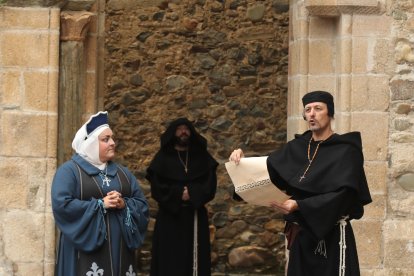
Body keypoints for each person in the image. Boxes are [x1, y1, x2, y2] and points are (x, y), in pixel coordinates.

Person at [229, 91, 372, 276]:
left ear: (330, 113)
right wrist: (241, 163)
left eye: (318, 109)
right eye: (308, 109)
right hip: (303, 236)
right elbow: (267, 173)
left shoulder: (346, 150)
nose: (312, 114)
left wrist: (299, 205)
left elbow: (345, 195)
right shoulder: (296, 148)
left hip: (333, 237)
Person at [51, 111, 149, 276]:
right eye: (105, 139)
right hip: (83, 252)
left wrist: (124, 204)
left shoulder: (123, 174)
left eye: (112, 138)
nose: (112, 143)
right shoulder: (69, 172)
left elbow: (142, 205)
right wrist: (100, 204)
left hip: (120, 252)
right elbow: (62, 205)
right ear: (90, 144)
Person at [146, 117, 218, 276]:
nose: (183, 132)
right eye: (179, 129)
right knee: (170, 261)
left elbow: (210, 185)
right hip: (170, 218)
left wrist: (191, 193)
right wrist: (179, 194)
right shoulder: (162, 158)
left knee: (196, 261)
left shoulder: (201, 156)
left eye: (186, 128)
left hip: (195, 216)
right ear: (173, 133)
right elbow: (157, 188)